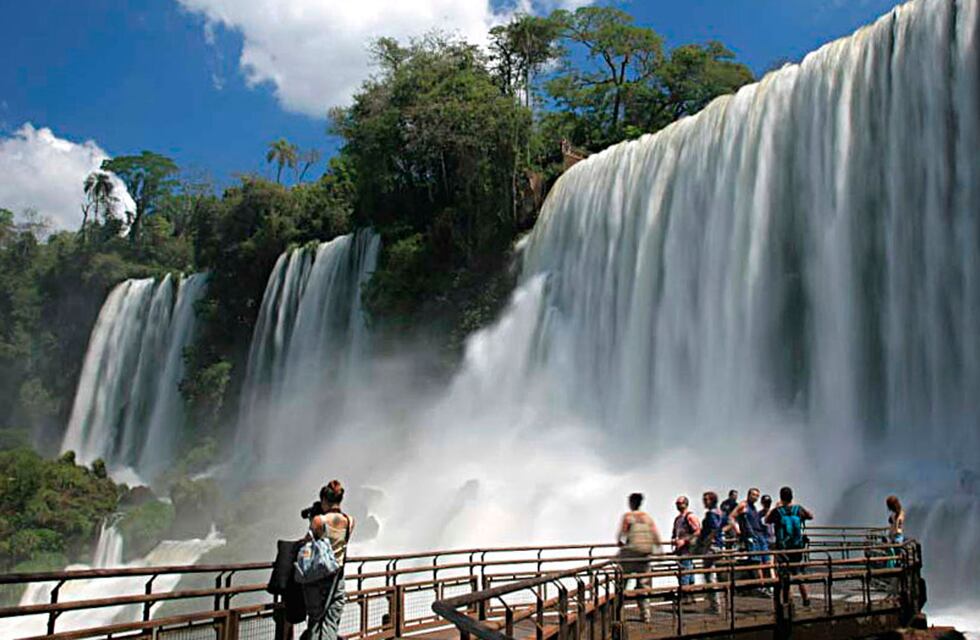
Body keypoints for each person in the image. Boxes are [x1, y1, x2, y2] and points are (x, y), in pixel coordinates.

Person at [307, 481, 355, 640]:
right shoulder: (350, 521)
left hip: (317, 578)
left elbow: (307, 543)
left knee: (315, 620)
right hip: (338, 577)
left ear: (324, 500)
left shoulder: (318, 521)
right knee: (331, 620)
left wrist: (312, 519)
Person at [766, 486, 813, 607]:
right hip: (797, 546)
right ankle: (805, 597)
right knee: (797, 573)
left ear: (781, 498)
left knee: (784, 575)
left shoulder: (778, 511)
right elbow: (810, 516)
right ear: (792, 496)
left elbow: (767, 520)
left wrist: (776, 507)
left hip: (783, 548)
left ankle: (787, 601)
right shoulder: (798, 509)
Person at [617, 493, 661, 621]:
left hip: (631, 555)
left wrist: (621, 544)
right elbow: (655, 535)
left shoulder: (628, 517)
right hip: (645, 555)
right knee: (643, 585)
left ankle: (619, 614)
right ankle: (645, 614)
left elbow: (621, 536)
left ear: (631, 503)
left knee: (622, 583)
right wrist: (659, 551)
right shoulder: (647, 517)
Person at [729, 488, 771, 582]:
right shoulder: (743, 505)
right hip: (751, 535)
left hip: (759, 534)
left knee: (767, 559)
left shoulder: (754, 507)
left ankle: (768, 583)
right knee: (757, 561)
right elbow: (731, 517)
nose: (755, 497)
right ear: (748, 495)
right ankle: (761, 583)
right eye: (753, 495)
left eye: (757, 495)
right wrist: (737, 529)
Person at [696, 492, 727, 613]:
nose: (704, 501)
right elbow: (727, 524)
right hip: (719, 545)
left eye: (706, 499)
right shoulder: (720, 512)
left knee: (709, 576)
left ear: (712, 501)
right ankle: (715, 602)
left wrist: (708, 539)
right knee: (713, 575)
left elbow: (714, 528)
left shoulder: (711, 514)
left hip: (711, 547)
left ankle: (715, 606)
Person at [671, 496, 701, 595]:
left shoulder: (690, 517)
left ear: (685, 504)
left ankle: (685, 593)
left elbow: (697, 532)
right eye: (677, 504)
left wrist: (684, 540)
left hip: (688, 548)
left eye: (680, 503)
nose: (678, 506)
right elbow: (675, 533)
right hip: (681, 548)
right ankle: (690, 593)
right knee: (687, 569)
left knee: (685, 570)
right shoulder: (678, 519)